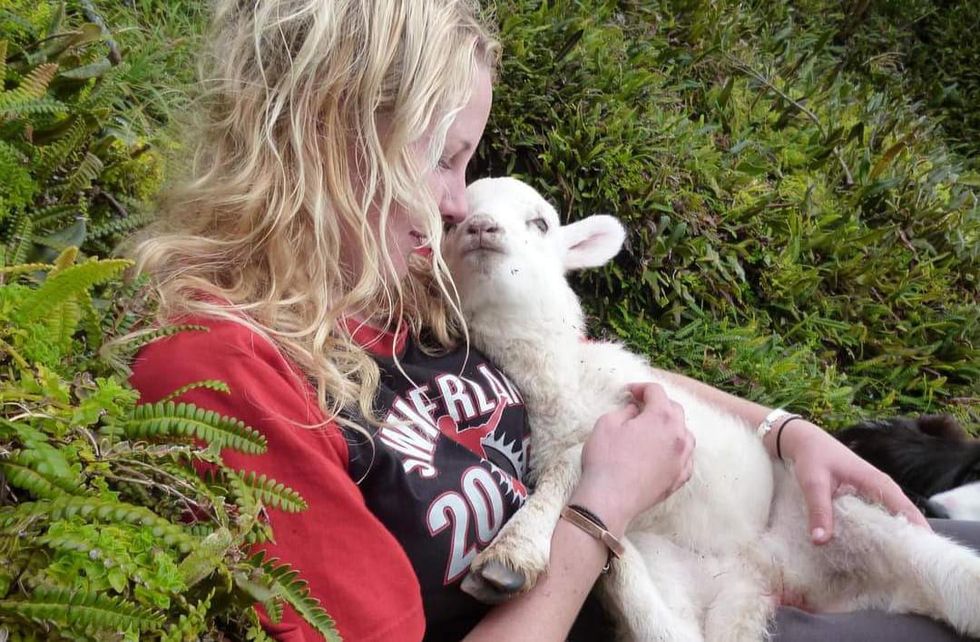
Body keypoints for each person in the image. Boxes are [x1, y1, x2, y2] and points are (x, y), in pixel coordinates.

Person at [128, 1, 980, 641]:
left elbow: (575, 363)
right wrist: (599, 511)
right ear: (330, 133)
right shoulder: (227, 374)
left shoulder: (390, 285)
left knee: (946, 545)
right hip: (669, 608)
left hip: (718, 566)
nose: (460, 202)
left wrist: (789, 432)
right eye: (444, 157)